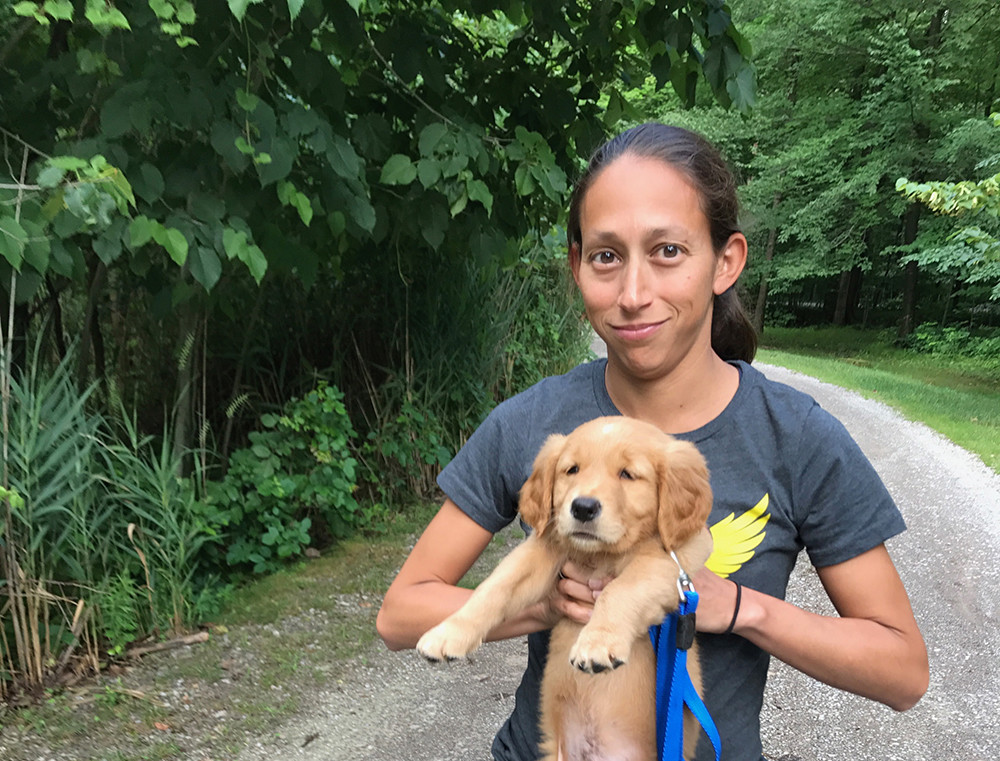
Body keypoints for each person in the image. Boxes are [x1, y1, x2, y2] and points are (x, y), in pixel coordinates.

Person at [376, 122, 928, 761]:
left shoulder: (798, 438)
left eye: (668, 251)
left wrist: (739, 607)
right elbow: (401, 615)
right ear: (578, 265)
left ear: (726, 262)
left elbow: (902, 672)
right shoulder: (534, 422)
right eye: (607, 256)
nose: (634, 295)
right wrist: (550, 601)